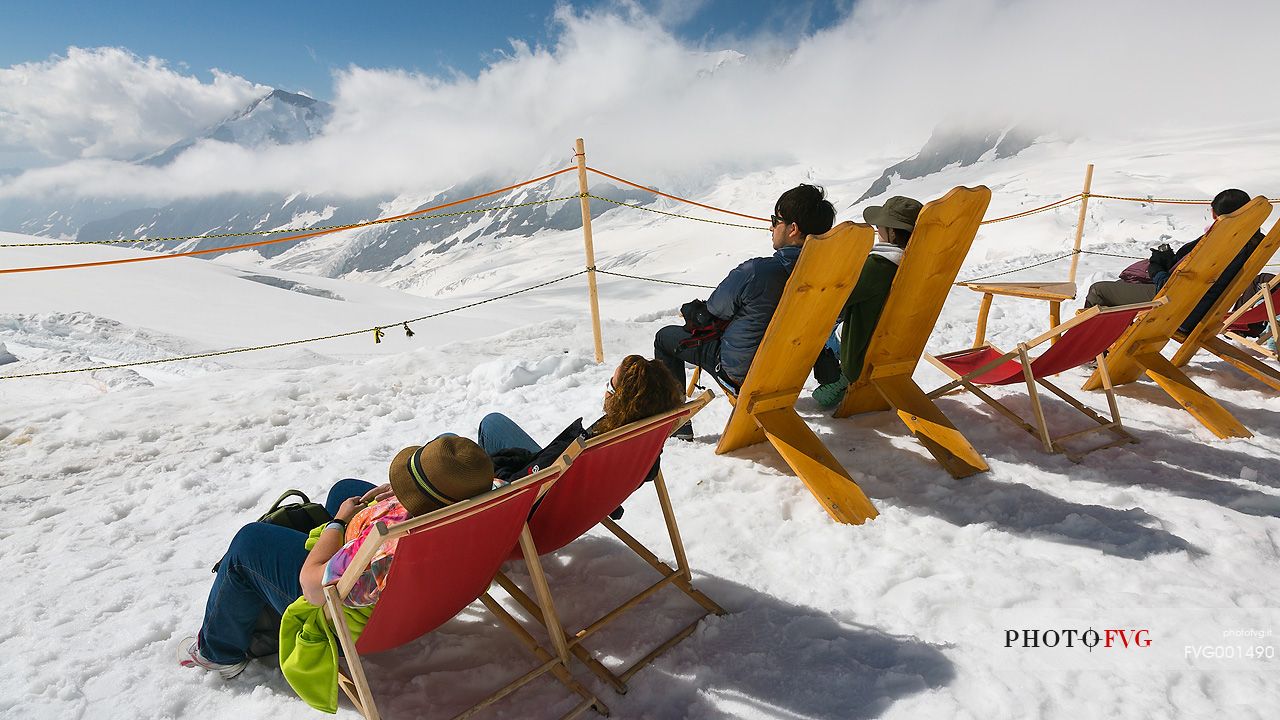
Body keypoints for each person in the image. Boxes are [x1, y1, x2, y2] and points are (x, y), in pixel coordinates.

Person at [178, 435, 495, 689]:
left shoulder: (384, 551)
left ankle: (218, 652)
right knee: (347, 489)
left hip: (357, 617)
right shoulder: (494, 505)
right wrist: (404, 496)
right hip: (439, 586)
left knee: (249, 542)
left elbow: (314, 586)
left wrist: (339, 523)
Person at [653, 184, 837, 427]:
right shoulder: (833, 275)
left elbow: (714, 310)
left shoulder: (759, 272)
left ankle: (678, 426)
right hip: (791, 370)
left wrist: (694, 310)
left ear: (793, 229)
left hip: (744, 371)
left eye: (775, 219)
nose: (771, 226)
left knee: (665, 337)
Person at [1083, 189, 1262, 333]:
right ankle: (1106, 345)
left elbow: (1177, 286)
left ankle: (1086, 350)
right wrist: (1169, 262)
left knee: (1099, 291)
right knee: (1120, 286)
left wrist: (1157, 271)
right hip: (1196, 307)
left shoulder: (1219, 246)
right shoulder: (1250, 241)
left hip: (1177, 308)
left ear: (1218, 216)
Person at [478, 354, 684, 475]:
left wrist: (497, 474)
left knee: (450, 446)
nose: (606, 391)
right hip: (566, 488)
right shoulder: (641, 444)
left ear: (622, 401)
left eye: (610, 386)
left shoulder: (591, 447)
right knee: (493, 422)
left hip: (534, 510)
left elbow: (516, 485)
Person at [811, 196, 923, 408]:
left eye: (880, 226)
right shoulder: (913, 264)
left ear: (892, 231)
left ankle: (839, 378)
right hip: (893, 343)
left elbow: (839, 299)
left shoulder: (879, 265)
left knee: (822, 327)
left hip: (859, 348)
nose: (877, 229)